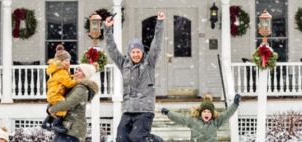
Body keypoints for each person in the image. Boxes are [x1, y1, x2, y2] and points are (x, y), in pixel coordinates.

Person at [104, 12, 165, 142]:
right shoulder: (124, 64)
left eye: (138, 52)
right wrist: (108, 29)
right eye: (133, 52)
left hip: (145, 109)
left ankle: (156, 140)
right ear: (129, 53)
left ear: (142, 52)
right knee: (121, 139)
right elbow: (112, 50)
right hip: (128, 109)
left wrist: (159, 23)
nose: (136, 54)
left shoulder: (149, 63)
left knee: (137, 137)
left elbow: (156, 45)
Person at [48, 63, 100, 142]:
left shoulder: (81, 89)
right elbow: (60, 97)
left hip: (74, 130)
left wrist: (52, 109)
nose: (76, 72)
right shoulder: (73, 86)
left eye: (79, 71)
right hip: (66, 127)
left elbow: (68, 103)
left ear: (85, 75)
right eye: (76, 69)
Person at [160, 94, 241, 142]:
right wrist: (168, 113)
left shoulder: (216, 122)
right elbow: (180, 118)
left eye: (209, 112)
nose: (207, 113)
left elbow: (227, 114)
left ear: (212, 114)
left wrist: (235, 104)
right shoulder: (193, 121)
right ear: (200, 112)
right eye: (204, 111)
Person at [42, 44, 78, 134]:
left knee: (58, 108)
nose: (68, 62)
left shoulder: (62, 71)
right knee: (63, 105)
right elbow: (69, 83)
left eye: (69, 61)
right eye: (66, 60)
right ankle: (56, 125)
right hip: (55, 94)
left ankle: (47, 122)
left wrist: (74, 77)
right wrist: (78, 81)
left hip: (54, 93)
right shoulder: (61, 72)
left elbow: (68, 78)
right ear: (59, 61)